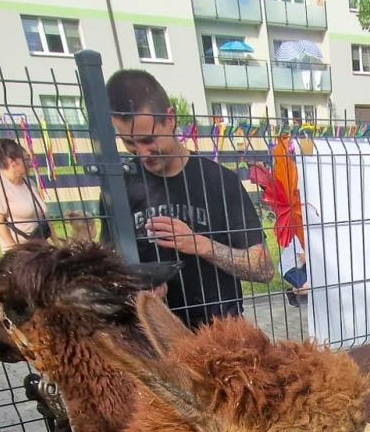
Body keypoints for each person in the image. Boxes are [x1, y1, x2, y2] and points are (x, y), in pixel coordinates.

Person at [105, 68, 272, 328]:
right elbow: (106, 270)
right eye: (129, 143)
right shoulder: (119, 190)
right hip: (153, 338)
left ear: (169, 119)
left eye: (148, 140)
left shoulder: (220, 182)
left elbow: (263, 268)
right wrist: (133, 295)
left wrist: (199, 244)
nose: (142, 153)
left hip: (219, 334)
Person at [0, 138, 50, 252]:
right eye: (26, 159)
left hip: (41, 248)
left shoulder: (29, 183)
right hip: (20, 252)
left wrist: (56, 242)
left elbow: (44, 217)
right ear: (12, 162)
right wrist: (15, 250)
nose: (30, 163)